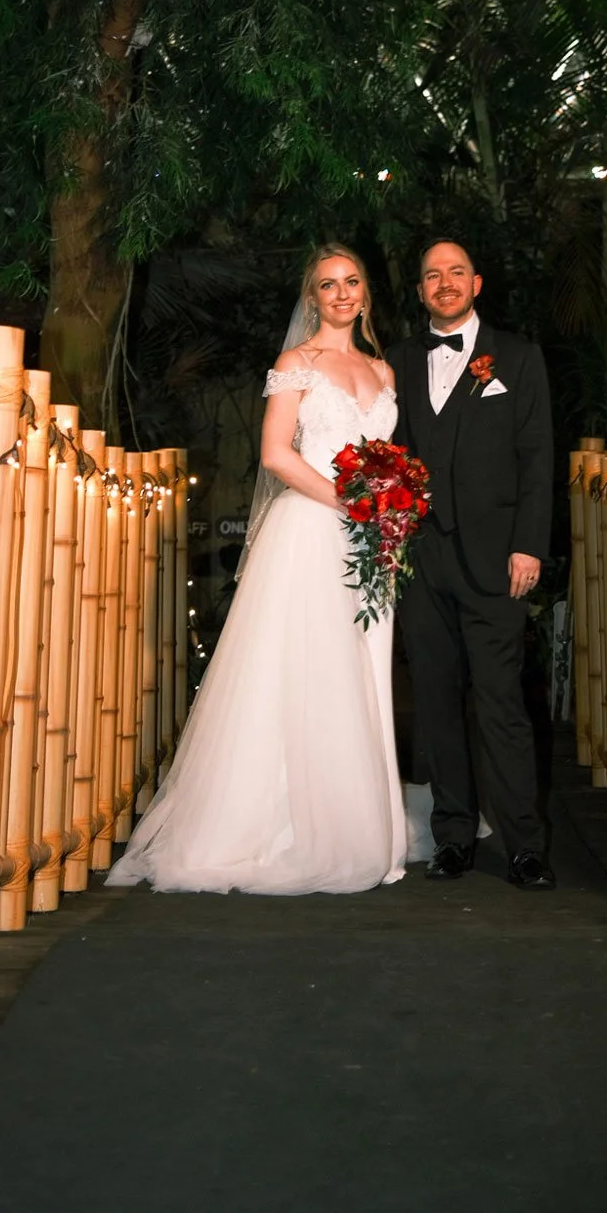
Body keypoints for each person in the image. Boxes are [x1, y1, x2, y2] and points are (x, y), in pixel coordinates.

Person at [108, 245, 405, 895]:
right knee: (302, 674)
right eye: (328, 285)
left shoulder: (383, 371)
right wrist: (351, 502)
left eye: (352, 281)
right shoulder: (295, 364)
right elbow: (275, 453)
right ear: (311, 299)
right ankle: (282, 827)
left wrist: (385, 508)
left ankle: (362, 825)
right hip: (310, 533)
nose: (342, 293)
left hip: (369, 545)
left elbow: (383, 457)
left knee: (360, 675)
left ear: (366, 294)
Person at [389, 239, 556, 889]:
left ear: (477, 282)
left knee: (500, 703)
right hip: (419, 558)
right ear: (420, 290)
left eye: (455, 272)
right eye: (431, 274)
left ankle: (523, 844)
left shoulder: (516, 356)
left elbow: (536, 457)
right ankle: (452, 836)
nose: (444, 283)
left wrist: (529, 544)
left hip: (495, 559)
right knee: (434, 703)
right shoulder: (398, 361)